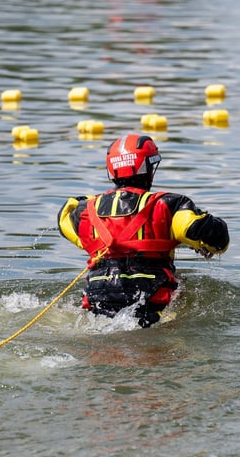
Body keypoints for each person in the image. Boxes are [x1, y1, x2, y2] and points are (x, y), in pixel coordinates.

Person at [57, 133, 229, 327]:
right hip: (150, 303)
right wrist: (198, 244)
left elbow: (64, 217)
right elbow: (214, 237)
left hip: (97, 301)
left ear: (112, 170)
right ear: (148, 169)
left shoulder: (83, 211)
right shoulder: (169, 206)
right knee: (181, 287)